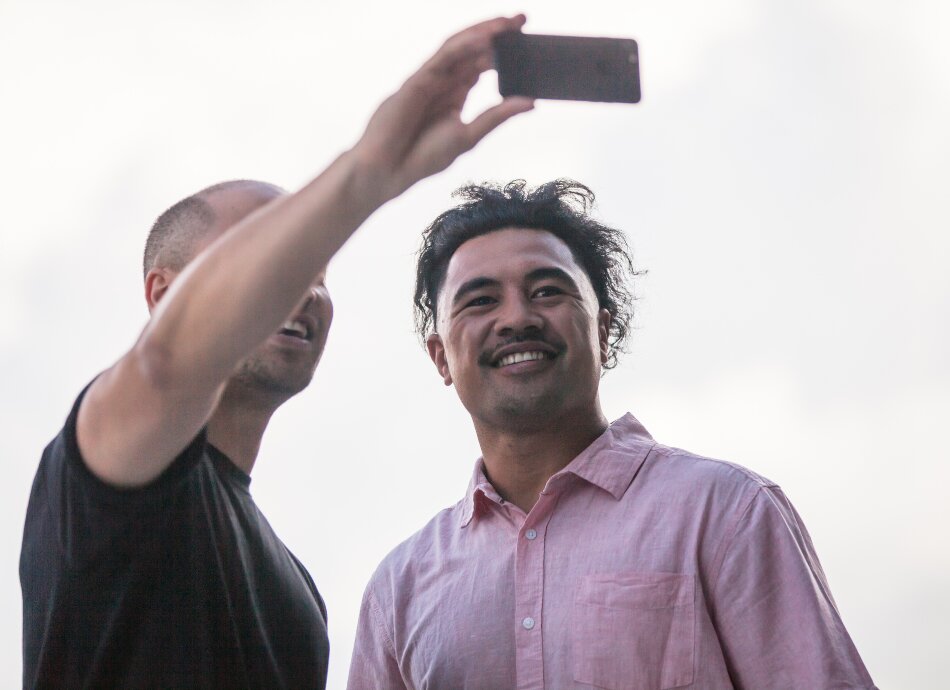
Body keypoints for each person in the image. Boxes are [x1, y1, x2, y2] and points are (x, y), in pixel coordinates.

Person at [19, 17, 534, 689]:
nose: (304, 288)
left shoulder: (299, 594)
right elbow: (165, 365)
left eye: (318, 272)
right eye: (280, 263)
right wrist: (368, 172)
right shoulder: (102, 469)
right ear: (163, 294)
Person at [347, 180, 878, 689]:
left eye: (546, 290)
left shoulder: (725, 512)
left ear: (603, 330)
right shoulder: (400, 588)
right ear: (442, 356)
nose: (517, 318)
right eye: (481, 300)